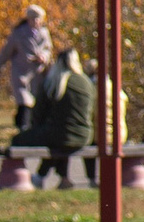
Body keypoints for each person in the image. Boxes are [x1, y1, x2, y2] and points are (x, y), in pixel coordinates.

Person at [24, 45, 94, 188]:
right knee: (62, 137)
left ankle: (27, 176)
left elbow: (38, 113)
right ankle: (63, 179)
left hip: (61, 135)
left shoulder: (53, 81)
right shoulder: (85, 82)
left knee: (51, 137)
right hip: (85, 135)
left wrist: (36, 129)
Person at [0, 5, 54, 134]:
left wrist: (44, 57)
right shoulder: (18, 34)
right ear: (28, 19)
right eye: (33, 18)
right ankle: (23, 128)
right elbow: (5, 54)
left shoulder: (44, 33)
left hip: (38, 74)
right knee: (24, 102)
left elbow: (48, 50)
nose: (36, 21)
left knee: (36, 102)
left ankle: (32, 128)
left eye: (38, 18)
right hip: (22, 73)